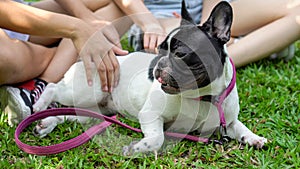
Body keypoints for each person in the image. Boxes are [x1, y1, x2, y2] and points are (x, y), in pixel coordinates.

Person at [0, 0, 167, 125]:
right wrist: (77, 29)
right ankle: (46, 77)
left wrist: (87, 17)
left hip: (17, 11)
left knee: (122, 5)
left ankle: (58, 63)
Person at [129, 0, 300, 67]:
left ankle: (215, 58)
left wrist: (206, 30)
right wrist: (150, 24)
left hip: (208, 12)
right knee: (172, 46)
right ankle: (247, 45)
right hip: (158, 19)